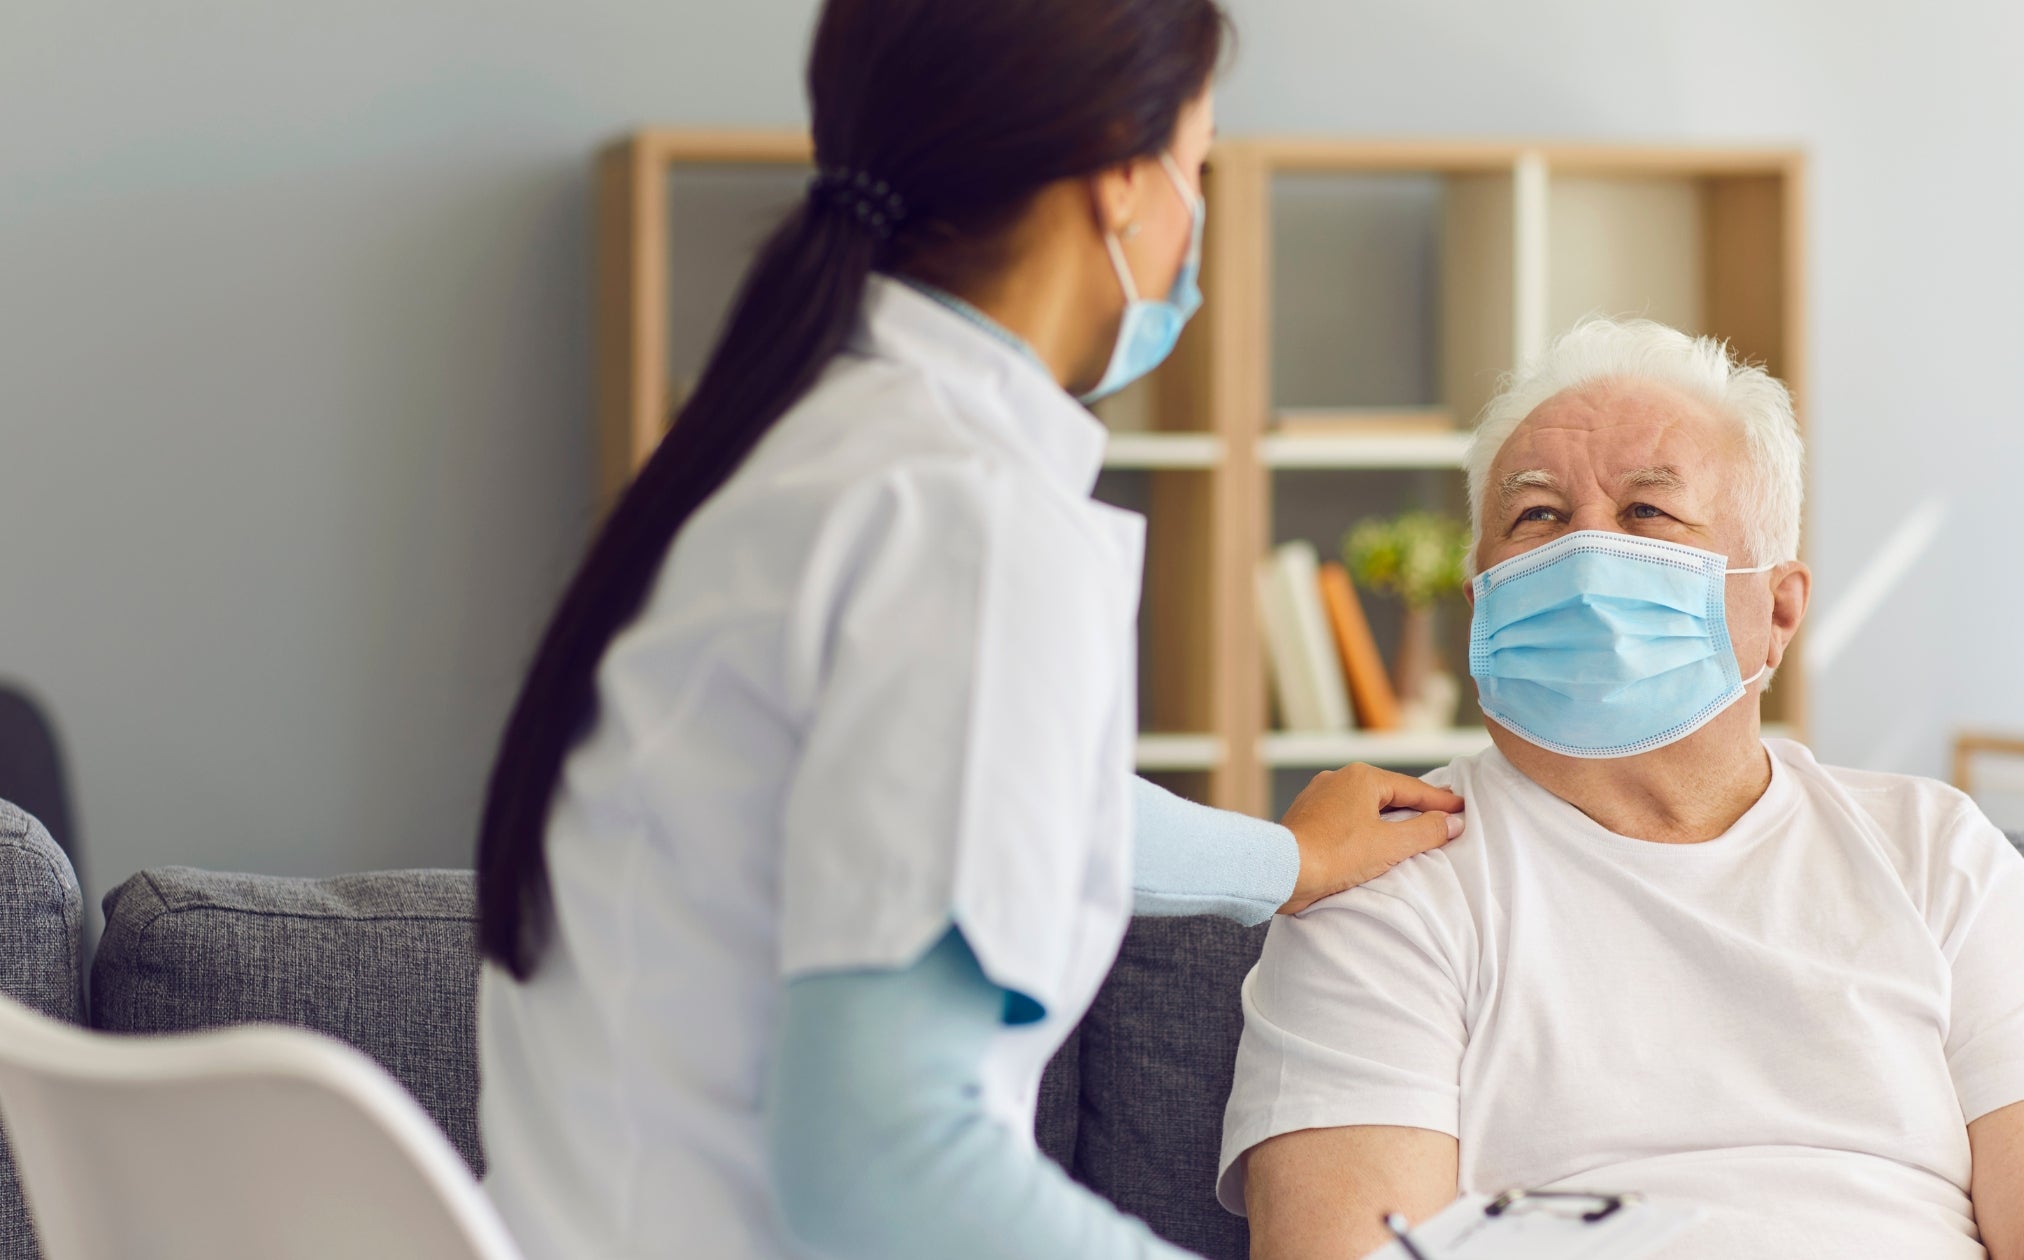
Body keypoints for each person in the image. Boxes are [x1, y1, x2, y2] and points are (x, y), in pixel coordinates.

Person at [470, 3, 1464, 1259]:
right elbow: (889, 1170)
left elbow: (976, 803)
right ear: (1122, 179)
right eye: (1197, 167)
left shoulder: (785, 456)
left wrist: (1281, 863)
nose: (1193, 221)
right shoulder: (968, 519)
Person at [1218, 319, 2024, 1260]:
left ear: (1778, 610)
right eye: (1536, 517)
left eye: (1647, 515)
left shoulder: (1935, 851)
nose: (1583, 562)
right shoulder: (1384, 875)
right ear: (1480, 604)